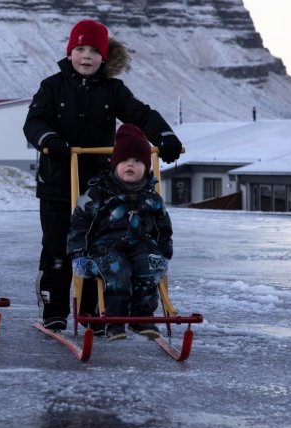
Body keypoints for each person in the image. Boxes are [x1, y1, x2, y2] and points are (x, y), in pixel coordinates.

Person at [22, 19, 182, 332]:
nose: (86, 56)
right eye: (80, 49)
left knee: (98, 245)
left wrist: (163, 136)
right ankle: (54, 309)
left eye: (94, 51)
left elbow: (140, 113)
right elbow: (34, 122)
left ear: (105, 57)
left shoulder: (114, 90)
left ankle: (92, 310)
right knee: (57, 247)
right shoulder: (52, 86)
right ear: (70, 53)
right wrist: (50, 140)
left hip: (100, 189)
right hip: (57, 183)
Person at [67, 124, 173, 340]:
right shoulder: (99, 192)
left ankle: (142, 318)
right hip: (105, 246)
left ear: (146, 167)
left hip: (141, 244)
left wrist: (163, 254)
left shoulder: (151, 197)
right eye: (125, 161)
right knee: (117, 270)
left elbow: (163, 228)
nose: (130, 165)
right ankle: (114, 321)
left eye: (137, 161)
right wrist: (78, 254)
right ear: (115, 165)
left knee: (148, 266)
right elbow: (80, 224)